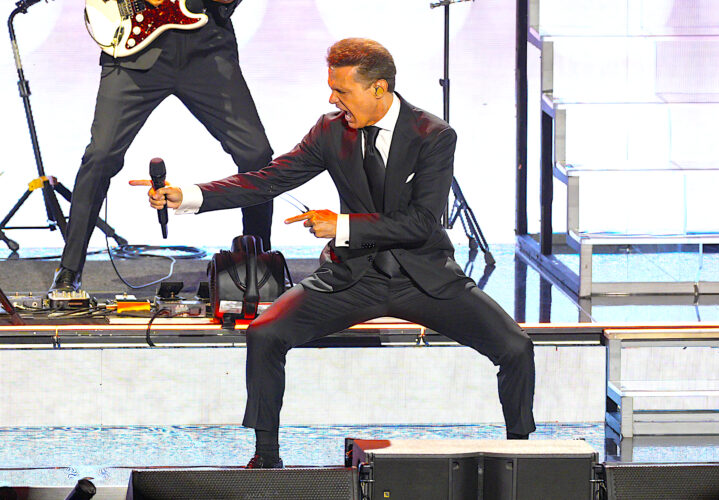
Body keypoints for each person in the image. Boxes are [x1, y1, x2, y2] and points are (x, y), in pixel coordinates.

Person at [135, 38, 536, 468]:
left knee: (516, 348)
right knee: (265, 333)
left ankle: (523, 456)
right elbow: (268, 180)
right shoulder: (330, 130)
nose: (332, 98)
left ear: (378, 89)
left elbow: (422, 222)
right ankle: (266, 458)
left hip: (423, 276)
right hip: (353, 276)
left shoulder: (432, 135)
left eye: (342, 90)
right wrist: (189, 195)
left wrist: (341, 225)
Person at [48, 0, 273, 294]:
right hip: (133, 51)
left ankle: (256, 264)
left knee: (256, 153)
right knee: (100, 156)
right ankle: (69, 270)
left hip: (206, 51)